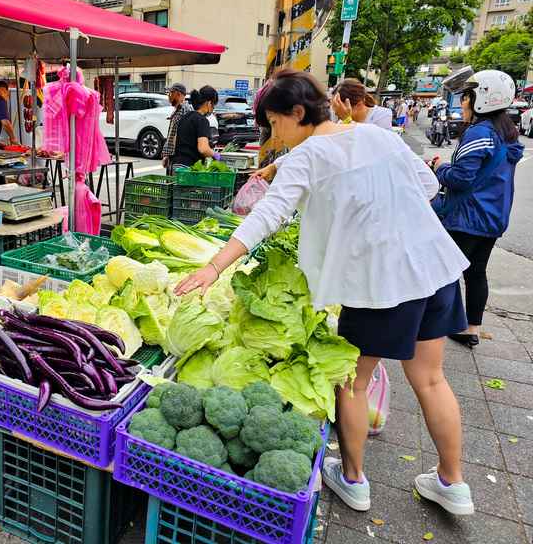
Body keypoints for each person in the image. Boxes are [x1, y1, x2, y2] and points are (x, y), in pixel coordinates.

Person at [175, 69, 474, 516]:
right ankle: (453, 483)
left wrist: (216, 266)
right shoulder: (380, 136)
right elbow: (428, 185)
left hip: (380, 284)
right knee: (431, 379)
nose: (274, 135)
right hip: (434, 267)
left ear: (297, 113)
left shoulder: (307, 157)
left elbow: (268, 214)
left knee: (354, 381)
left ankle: (353, 479)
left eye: (275, 124)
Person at [432, 70, 525, 348]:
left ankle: (433, 327)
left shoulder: (480, 133)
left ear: (481, 99)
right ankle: (471, 328)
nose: (462, 103)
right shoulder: (505, 133)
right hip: (493, 217)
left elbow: (461, 178)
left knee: (443, 270)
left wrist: (440, 168)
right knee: (475, 272)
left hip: (468, 217)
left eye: (466, 98)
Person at [169, 86, 219, 171]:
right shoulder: (202, 120)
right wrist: (215, 155)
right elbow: (203, 149)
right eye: (214, 105)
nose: (213, 109)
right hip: (190, 169)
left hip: (176, 166)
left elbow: (174, 141)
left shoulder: (185, 117)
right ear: (209, 103)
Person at [162, 83, 192, 175]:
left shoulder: (184, 109)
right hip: (173, 156)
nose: (169, 96)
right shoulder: (178, 109)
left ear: (178, 94)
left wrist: (169, 155)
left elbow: (179, 135)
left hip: (179, 158)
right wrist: (167, 155)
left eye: (171, 93)